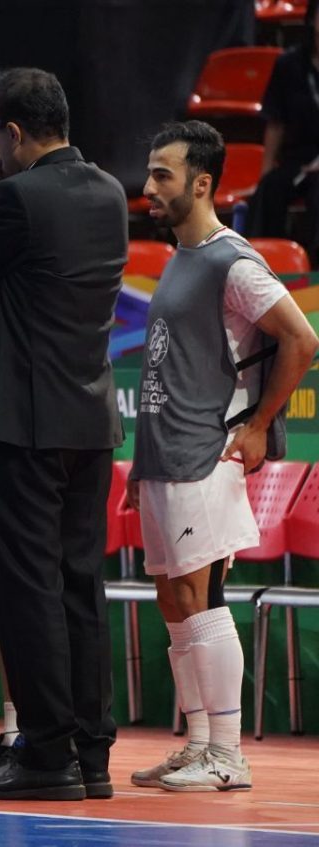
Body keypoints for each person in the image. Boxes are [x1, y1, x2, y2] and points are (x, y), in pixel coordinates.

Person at [0, 68, 127, 802]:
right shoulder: (111, 191)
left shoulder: (13, 194)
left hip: (21, 421)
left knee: (26, 591)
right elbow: (29, 277)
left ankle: (46, 751)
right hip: (87, 421)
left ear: (12, 134)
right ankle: (90, 750)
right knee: (81, 585)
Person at [129, 121, 318, 792]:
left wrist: (261, 423)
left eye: (163, 175)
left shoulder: (230, 259)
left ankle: (228, 753)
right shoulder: (181, 256)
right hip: (164, 454)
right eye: (150, 172)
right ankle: (200, 741)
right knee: (172, 595)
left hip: (206, 451)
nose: (150, 186)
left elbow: (300, 338)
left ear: (202, 183)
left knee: (199, 597)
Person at [247, 0, 319, 265]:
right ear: (312, 20)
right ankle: (262, 264)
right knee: (269, 189)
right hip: (298, 158)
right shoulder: (289, 64)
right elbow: (275, 123)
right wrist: (265, 172)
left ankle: (313, 267)